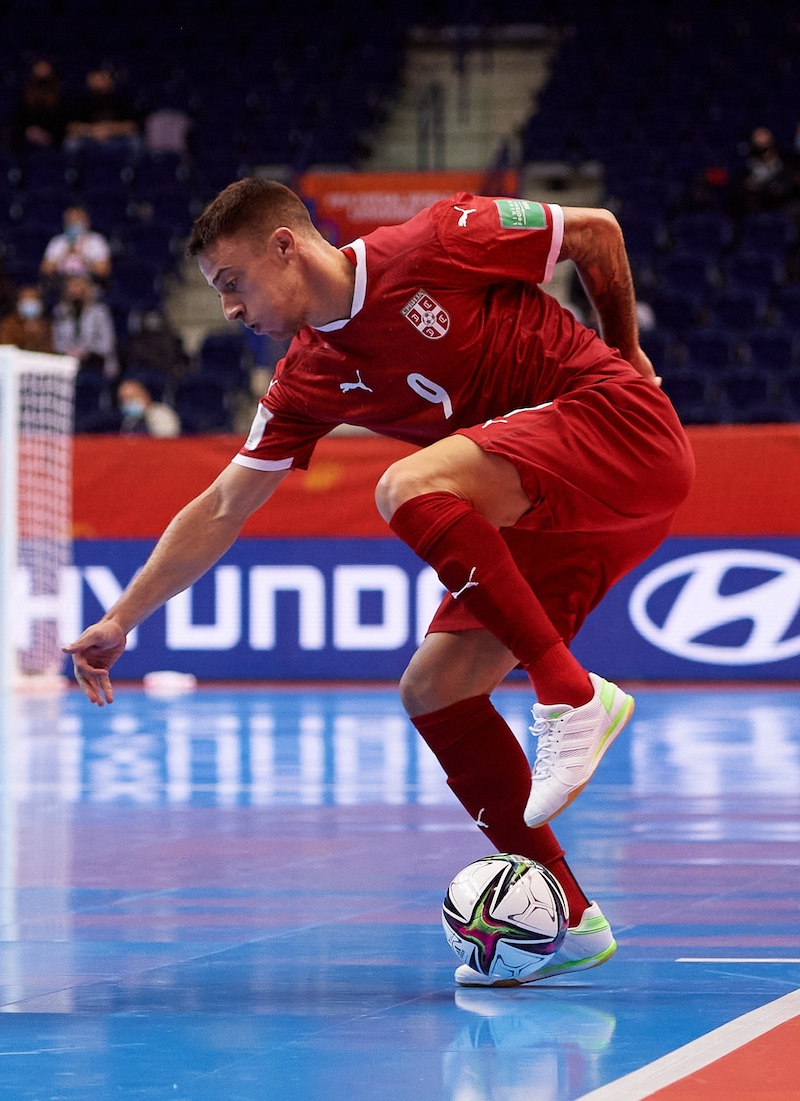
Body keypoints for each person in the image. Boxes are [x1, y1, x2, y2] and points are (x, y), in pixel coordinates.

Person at [64, 180, 693, 989]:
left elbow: (598, 233)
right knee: (433, 689)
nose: (227, 308)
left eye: (231, 282)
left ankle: (570, 693)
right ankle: (568, 916)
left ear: (284, 247)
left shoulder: (438, 238)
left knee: (405, 484)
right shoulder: (305, 378)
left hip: (620, 429)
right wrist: (122, 618)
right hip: (546, 511)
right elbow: (222, 505)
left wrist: (628, 357)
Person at [52, 275, 117, 376]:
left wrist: (84, 351)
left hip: (96, 362)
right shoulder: (60, 311)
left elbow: (106, 344)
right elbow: (56, 342)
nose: (76, 290)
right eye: (73, 286)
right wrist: (68, 350)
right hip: (67, 363)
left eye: (80, 285)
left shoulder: (100, 312)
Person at [65, 68, 139, 151]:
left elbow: (132, 125)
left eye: (102, 78)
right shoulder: (81, 100)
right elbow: (71, 126)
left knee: (135, 142)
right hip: (89, 137)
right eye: (95, 78)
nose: (98, 82)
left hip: (116, 137)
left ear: (110, 81)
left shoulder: (121, 98)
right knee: (71, 143)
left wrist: (109, 129)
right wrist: (93, 131)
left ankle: (131, 165)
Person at [41, 206, 112, 284]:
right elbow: (46, 270)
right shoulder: (58, 241)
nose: (73, 223)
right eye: (70, 220)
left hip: (89, 282)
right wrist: (65, 253)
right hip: (62, 282)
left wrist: (81, 255)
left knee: (78, 287)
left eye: (77, 220)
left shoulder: (96, 241)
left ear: (86, 221)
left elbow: (103, 272)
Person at [13, 59, 65, 149]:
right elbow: (19, 121)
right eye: (39, 66)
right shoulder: (24, 95)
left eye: (45, 67)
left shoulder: (60, 96)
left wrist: (47, 136)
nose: (42, 69)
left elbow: (62, 122)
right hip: (29, 136)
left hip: (53, 138)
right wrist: (29, 132)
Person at [112, 377, 179, 437]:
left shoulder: (162, 414)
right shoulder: (129, 422)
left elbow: (165, 442)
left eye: (131, 397)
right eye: (123, 399)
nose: (127, 402)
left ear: (145, 396)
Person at [0, 285, 54, 353]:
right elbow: (5, 349)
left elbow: (49, 352)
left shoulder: (46, 325)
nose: (29, 303)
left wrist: (37, 335)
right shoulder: (8, 324)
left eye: (33, 299)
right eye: (26, 300)